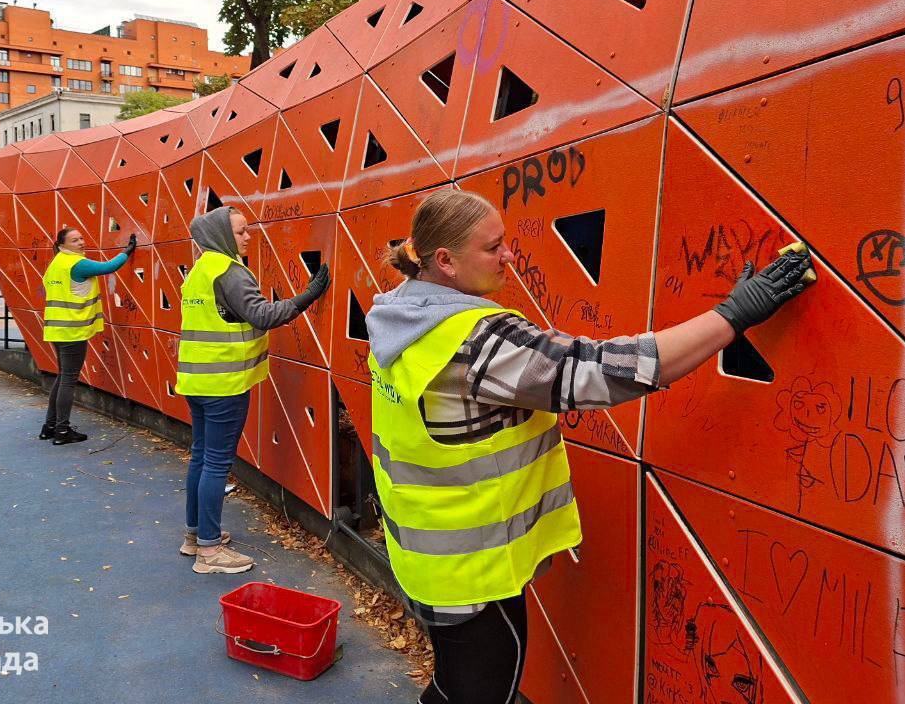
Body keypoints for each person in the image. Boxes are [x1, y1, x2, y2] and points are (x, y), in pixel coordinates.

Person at [365, 191, 814, 704]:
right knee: (482, 690)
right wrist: (732, 316)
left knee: (458, 683)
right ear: (444, 261)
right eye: (493, 248)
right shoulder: (466, 340)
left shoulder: (402, 312)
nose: (510, 255)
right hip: (470, 569)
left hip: (428, 551)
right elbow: (598, 371)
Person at [177, 205, 331, 574]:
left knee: (200, 456)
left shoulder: (201, 270)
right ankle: (210, 554)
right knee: (216, 462)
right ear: (222, 236)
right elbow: (262, 315)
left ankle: (195, 537)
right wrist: (308, 295)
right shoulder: (230, 272)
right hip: (225, 384)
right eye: (242, 231)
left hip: (196, 380)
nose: (248, 237)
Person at [40, 226, 137, 446]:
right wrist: (128, 250)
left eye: (82, 238)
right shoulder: (78, 264)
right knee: (68, 379)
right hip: (73, 330)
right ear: (62, 245)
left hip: (56, 328)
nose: (81, 242)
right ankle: (62, 431)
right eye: (75, 240)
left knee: (62, 376)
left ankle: (50, 426)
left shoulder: (57, 263)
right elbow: (109, 267)